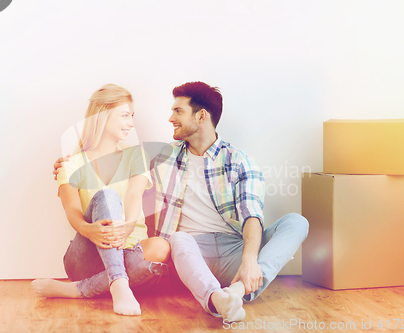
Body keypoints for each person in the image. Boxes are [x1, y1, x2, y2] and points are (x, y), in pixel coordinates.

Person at [53, 81, 309, 322]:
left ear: (201, 116)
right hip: (191, 251)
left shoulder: (239, 160)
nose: (170, 118)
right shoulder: (164, 156)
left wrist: (249, 259)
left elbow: (252, 214)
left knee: (296, 222)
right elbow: (109, 167)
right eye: (126, 115)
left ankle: (239, 289)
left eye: (178, 110)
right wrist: (69, 166)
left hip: (235, 249)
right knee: (176, 239)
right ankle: (214, 297)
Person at [33, 84, 170, 316]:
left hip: (132, 251)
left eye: (132, 116)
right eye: (125, 115)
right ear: (103, 116)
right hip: (88, 255)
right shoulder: (71, 164)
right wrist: (88, 230)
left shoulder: (136, 155)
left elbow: (135, 195)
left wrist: (126, 229)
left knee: (161, 247)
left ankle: (78, 290)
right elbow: (72, 211)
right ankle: (118, 281)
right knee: (107, 196)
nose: (132, 123)